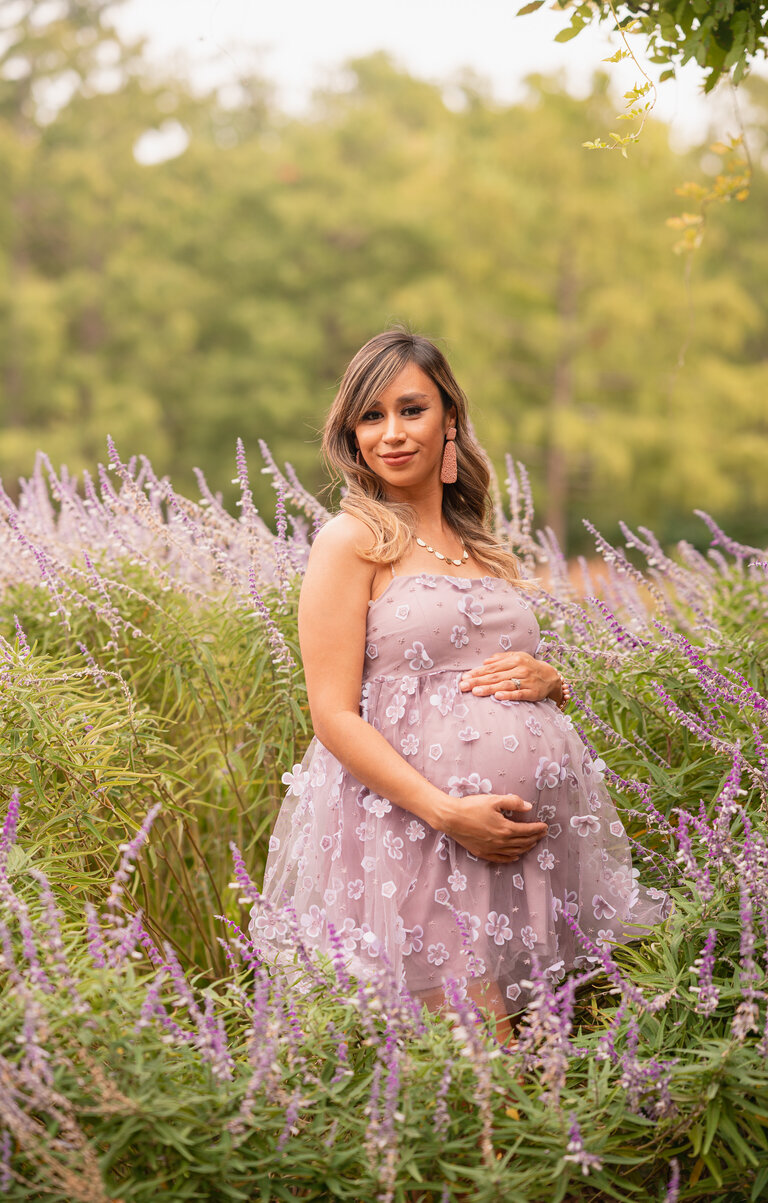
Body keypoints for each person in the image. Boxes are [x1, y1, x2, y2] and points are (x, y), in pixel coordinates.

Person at [248, 328, 671, 1038]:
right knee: (483, 1061)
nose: (392, 433)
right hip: (416, 833)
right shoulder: (352, 541)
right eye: (371, 416)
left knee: (534, 1056)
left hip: (515, 850)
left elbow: (486, 669)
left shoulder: (478, 543)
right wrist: (447, 812)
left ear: (449, 417)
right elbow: (332, 714)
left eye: (411, 409)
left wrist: (550, 680)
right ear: (352, 435)